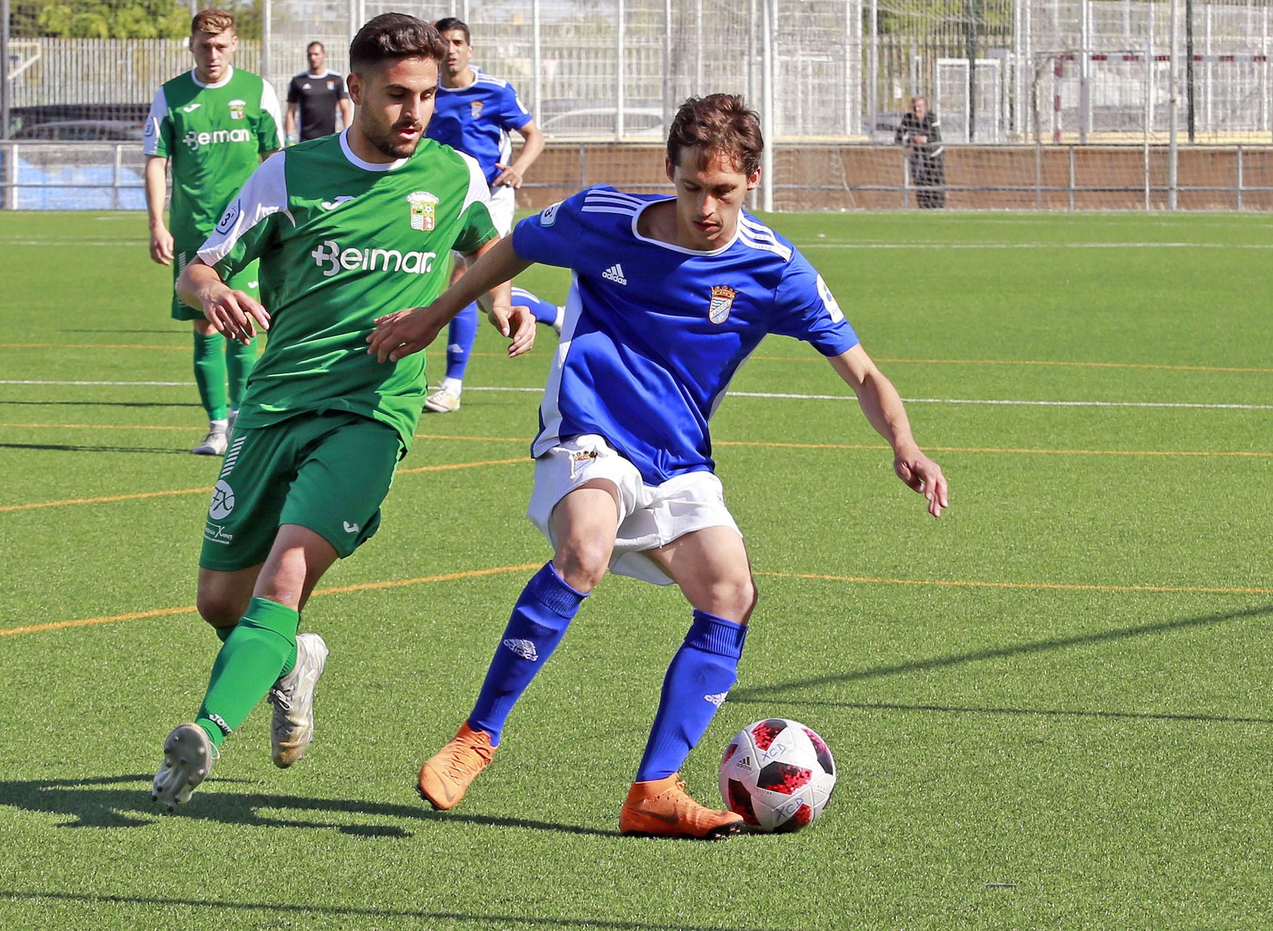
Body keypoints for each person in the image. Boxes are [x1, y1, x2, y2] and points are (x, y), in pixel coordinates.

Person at [370, 93, 950, 839]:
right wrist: (435, 314)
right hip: (589, 428)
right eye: (691, 188)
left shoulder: (775, 271)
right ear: (666, 172)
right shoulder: (603, 217)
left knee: (731, 591)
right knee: (585, 547)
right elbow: (514, 245)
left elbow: (865, 374)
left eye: (724, 192)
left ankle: (654, 791)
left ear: (754, 181)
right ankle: (477, 736)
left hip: (678, 456)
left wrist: (904, 442)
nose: (706, 207)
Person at [150, 12, 537, 812]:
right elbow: (198, 269)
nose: (416, 113)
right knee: (221, 602)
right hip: (275, 406)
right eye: (398, 96)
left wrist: (501, 302)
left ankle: (205, 733)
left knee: (286, 572)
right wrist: (215, 289)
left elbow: (484, 248)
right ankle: (290, 664)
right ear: (356, 89)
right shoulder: (289, 174)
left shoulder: (453, 175)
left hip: (372, 412)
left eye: (428, 96)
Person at [145, 9, 283, 456]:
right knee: (205, 326)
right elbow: (156, 161)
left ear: (235, 44)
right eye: (204, 46)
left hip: (245, 234)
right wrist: (156, 223)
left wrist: (281, 220)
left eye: (221, 45)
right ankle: (216, 426)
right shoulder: (171, 96)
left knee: (243, 323)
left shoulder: (257, 92)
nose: (212, 54)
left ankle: (243, 420)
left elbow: (276, 157)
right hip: (191, 232)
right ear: (190, 45)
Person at [420, 16, 562, 415]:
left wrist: (518, 168)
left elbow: (535, 134)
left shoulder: (495, 91)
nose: (450, 49)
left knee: (467, 277)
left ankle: (451, 387)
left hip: (492, 200)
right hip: (444, 200)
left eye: (457, 41)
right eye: (443, 42)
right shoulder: (427, 92)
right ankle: (558, 316)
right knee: (485, 296)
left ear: (469, 48)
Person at [285, 41, 352, 143]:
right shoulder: (298, 81)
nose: (313, 58)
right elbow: (291, 111)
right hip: (306, 140)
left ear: (324, 55)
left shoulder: (336, 79)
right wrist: (288, 135)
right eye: (310, 54)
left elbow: (345, 108)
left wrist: (347, 131)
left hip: (330, 139)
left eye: (316, 54)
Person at [895, 96, 945, 209]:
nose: (917, 109)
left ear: (925, 107)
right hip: (918, 156)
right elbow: (898, 138)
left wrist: (924, 140)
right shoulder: (908, 118)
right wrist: (912, 140)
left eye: (920, 106)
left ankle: (938, 208)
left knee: (935, 184)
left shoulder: (931, 118)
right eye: (915, 107)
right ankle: (923, 207)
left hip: (934, 156)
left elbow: (935, 136)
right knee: (920, 183)